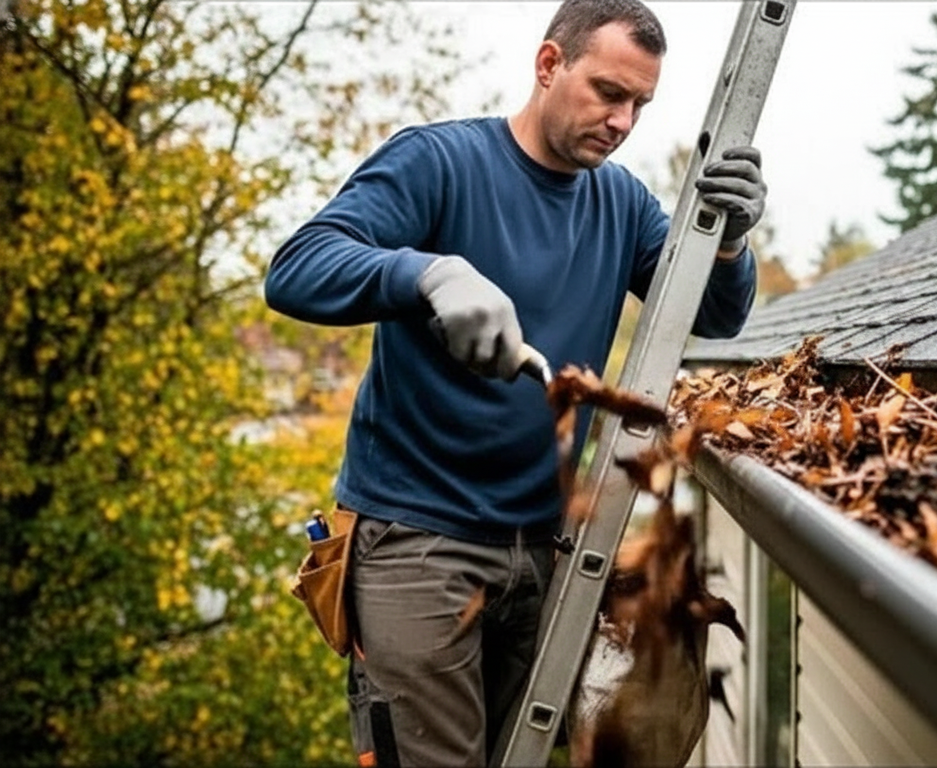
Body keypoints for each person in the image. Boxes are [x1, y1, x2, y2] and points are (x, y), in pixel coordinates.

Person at [264, 0, 767, 765]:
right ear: (548, 65)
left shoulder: (622, 205)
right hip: (415, 544)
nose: (623, 121)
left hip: (546, 552)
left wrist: (727, 244)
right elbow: (297, 268)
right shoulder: (438, 163)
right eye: (607, 92)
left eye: (639, 104)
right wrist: (426, 272)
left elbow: (714, 316)